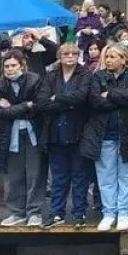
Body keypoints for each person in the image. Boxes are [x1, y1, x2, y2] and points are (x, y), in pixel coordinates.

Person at [81, 43, 128, 232]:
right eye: (107, 56)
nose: (108, 60)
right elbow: (95, 101)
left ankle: (124, 212)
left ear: (123, 59)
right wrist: (122, 97)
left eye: (112, 56)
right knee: (106, 176)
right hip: (104, 135)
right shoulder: (98, 77)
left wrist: (109, 94)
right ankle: (109, 213)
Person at [38, 42, 93, 228]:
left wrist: (58, 98)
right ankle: (56, 213)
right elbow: (43, 102)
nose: (70, 57)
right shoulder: (51, 76)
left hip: (78, 131)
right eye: (66, 54)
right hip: (56, 133)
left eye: (74, 54)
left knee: (80, 175)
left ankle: (79, 212)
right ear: (59, 57)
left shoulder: (85, 74)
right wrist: (68, 104)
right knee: (59, 177)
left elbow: (82, 97)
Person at [0, 50, 45, 227]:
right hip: (10, 134)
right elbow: (0, 112)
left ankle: (34, 212)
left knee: (35, 173)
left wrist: (13, 108)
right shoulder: (0, 85)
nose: (10, 69)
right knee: (14, 175)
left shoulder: (34, 80)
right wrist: (25, 105)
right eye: (6, 66)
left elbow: (38, 106)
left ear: (22, 65)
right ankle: (16, 212)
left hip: (33, 132)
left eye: (13, 65)